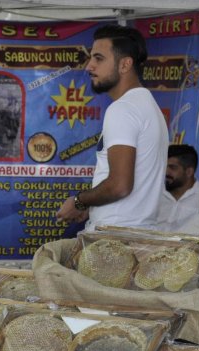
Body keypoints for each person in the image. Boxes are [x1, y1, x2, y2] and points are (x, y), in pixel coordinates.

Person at [56, 24, 168, 230]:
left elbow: (120, 185)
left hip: (114, 238)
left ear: (125, 64)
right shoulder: (148, 106)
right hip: (134, 232)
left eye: (99, 58)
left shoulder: (123, 109)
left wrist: (80, 201)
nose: (89, 66)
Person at [156, 144, 199, 231]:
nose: (166, 172)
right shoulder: (156, 190)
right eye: (165, 166)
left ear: (189, 172)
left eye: (172, 168)